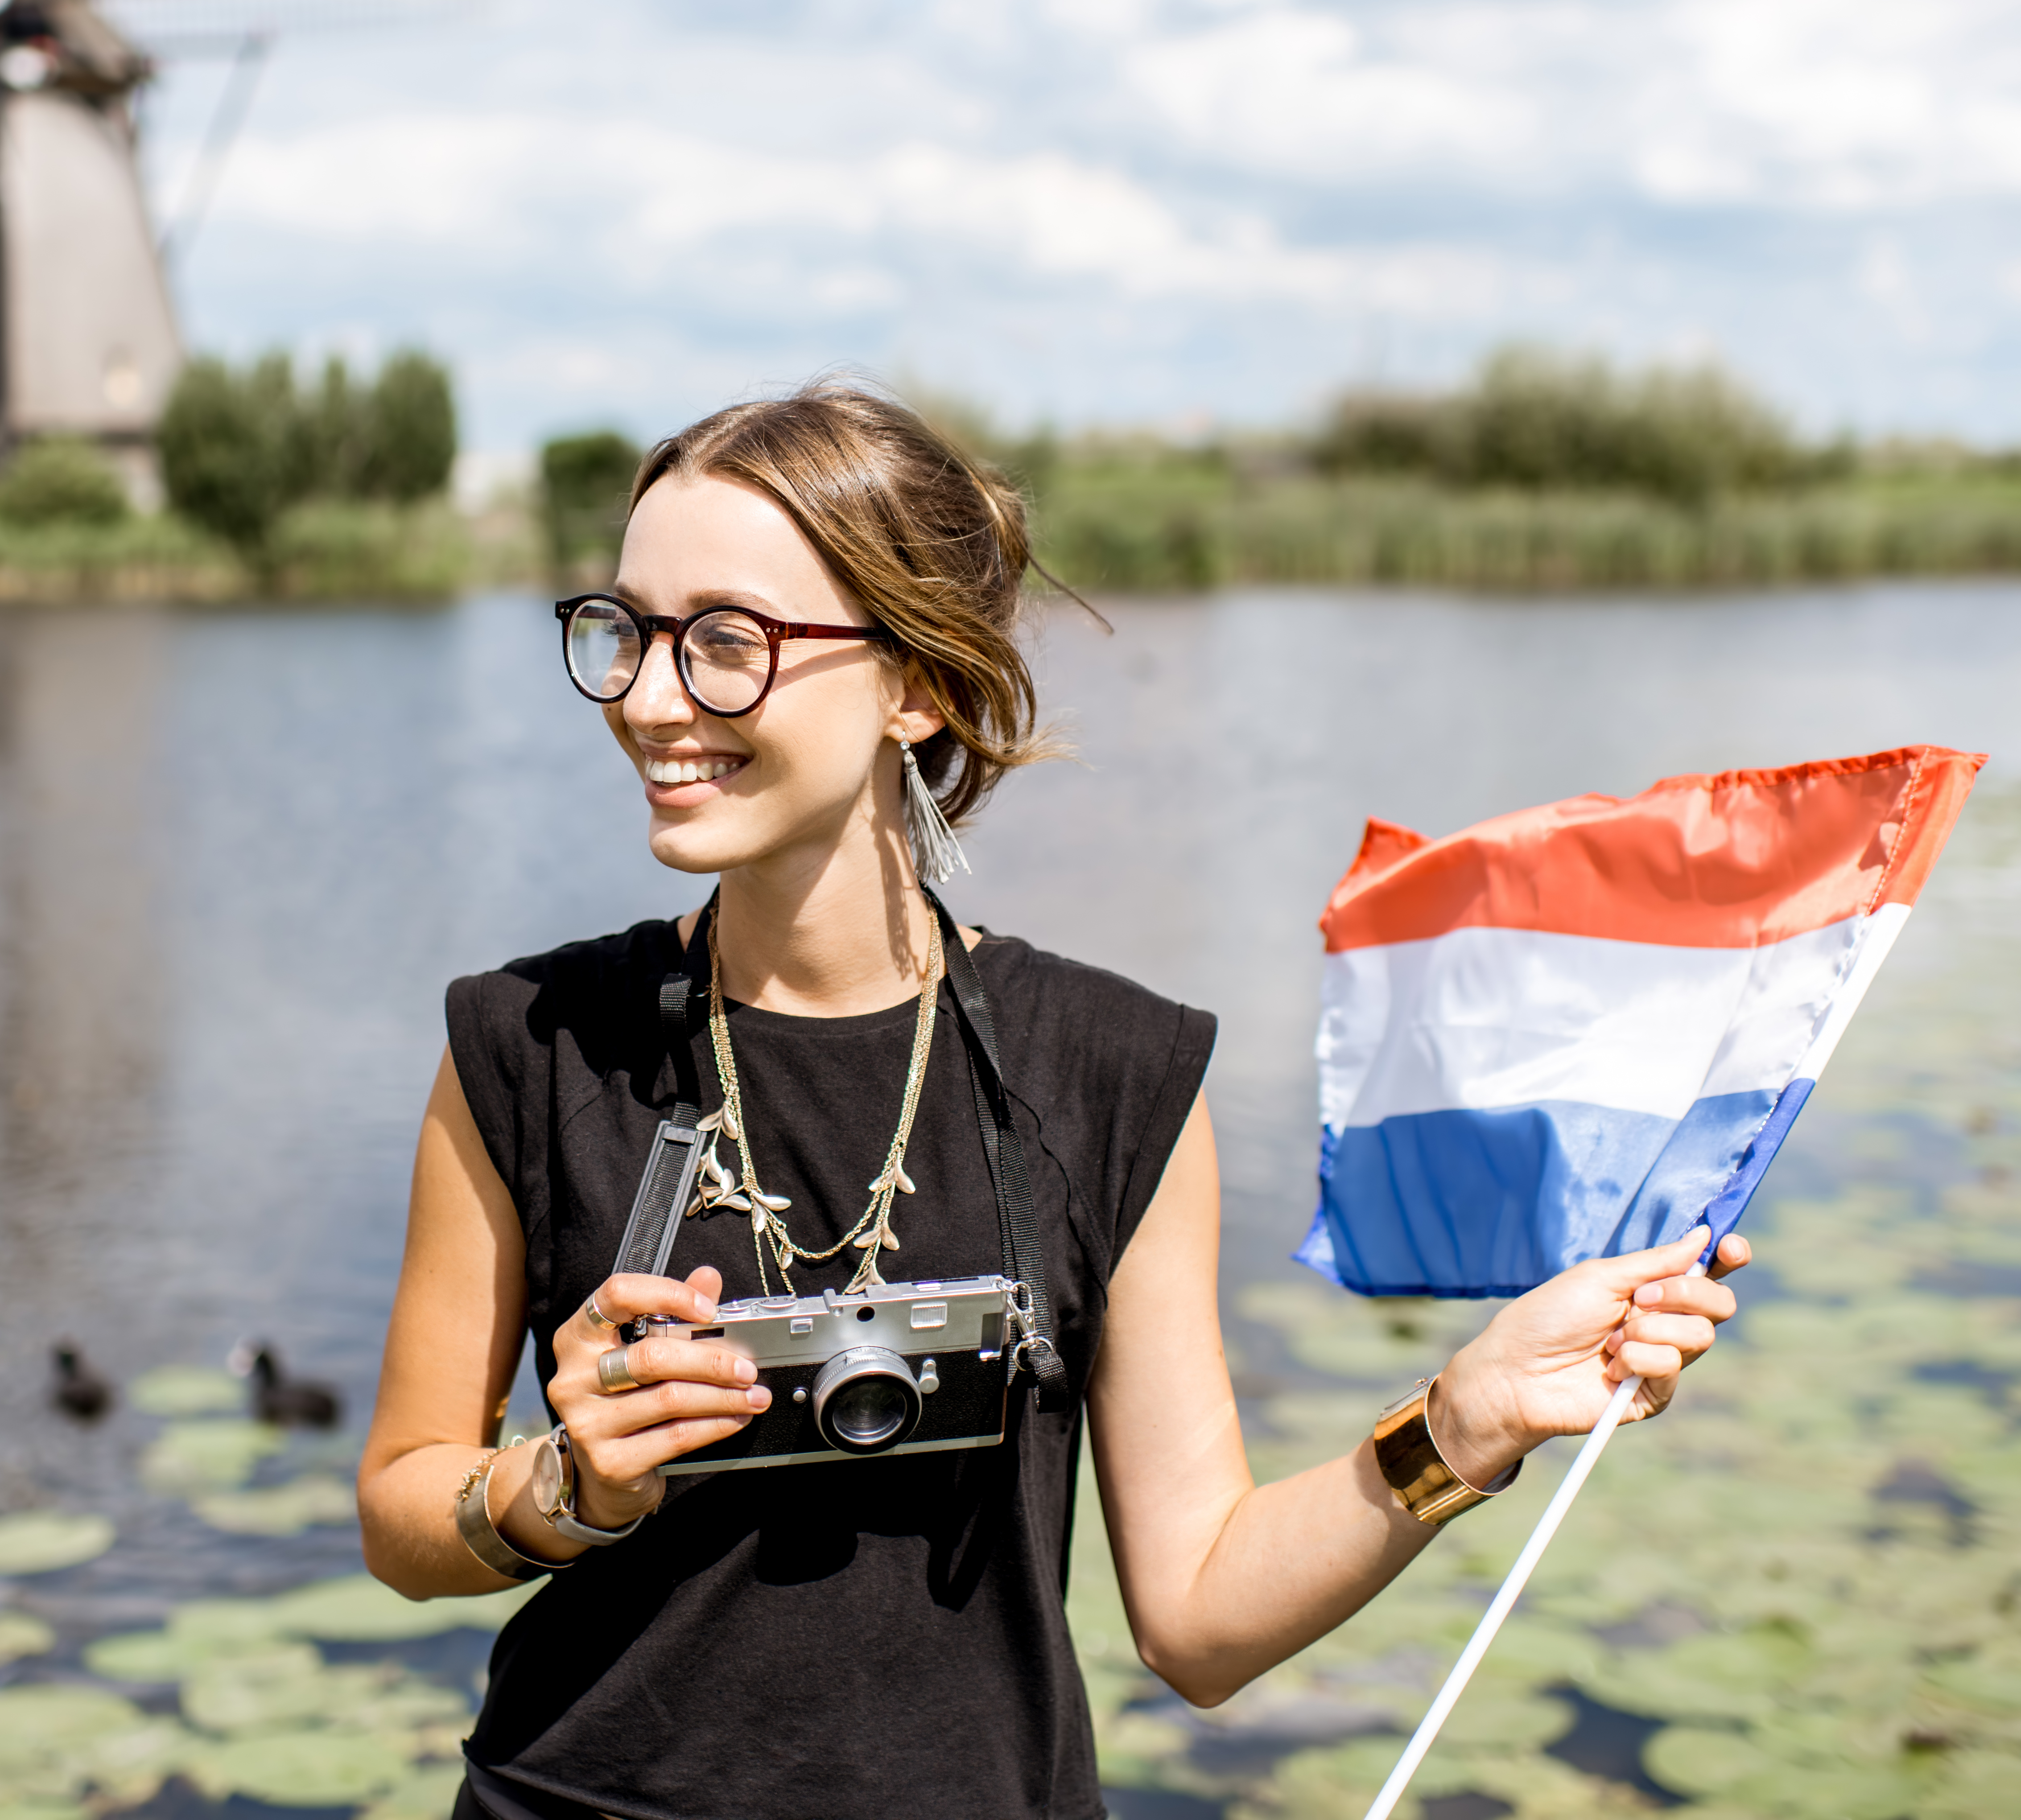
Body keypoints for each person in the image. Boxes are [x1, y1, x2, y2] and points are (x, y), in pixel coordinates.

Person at [359, 384, 1751, 1820]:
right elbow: (403, 1512)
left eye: (727, 643)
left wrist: (1461, 1425)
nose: (652, 696)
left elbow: (1199, 1618)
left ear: (919, 687)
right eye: (630, 633)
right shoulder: (523, 1044)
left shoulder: (1114, 1075)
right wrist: (558, 1491)